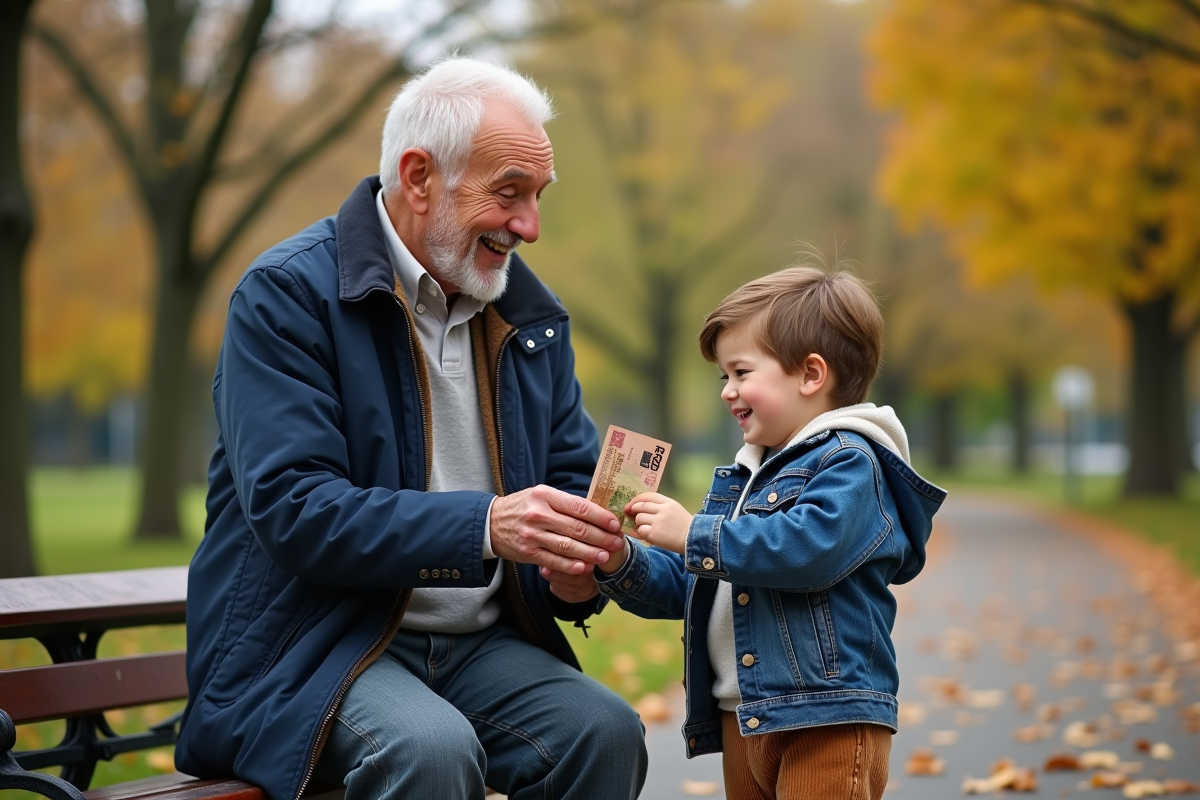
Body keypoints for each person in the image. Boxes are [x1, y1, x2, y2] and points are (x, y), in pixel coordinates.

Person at [175, 58, 647, 800]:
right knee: (429, 751)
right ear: (420, 177)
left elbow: (565, 484)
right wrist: (488, 526)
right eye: (510, 194)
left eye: (537, 197)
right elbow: (294, 509)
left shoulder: (528, 317)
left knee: (604, 731)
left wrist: (577, 568)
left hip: (479, 648)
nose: (530, 226)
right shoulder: (286, 294)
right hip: (314, 648)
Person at [586, 265, 946, 800]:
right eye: (723, 378)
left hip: (824, 714)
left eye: (741, 372)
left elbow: (807, 549)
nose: (728, 392)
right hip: (744, 714)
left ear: (810, 375)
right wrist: (620, 561)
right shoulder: (746, 477)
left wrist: (696, 535)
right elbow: (700, 589)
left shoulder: (851, 460)